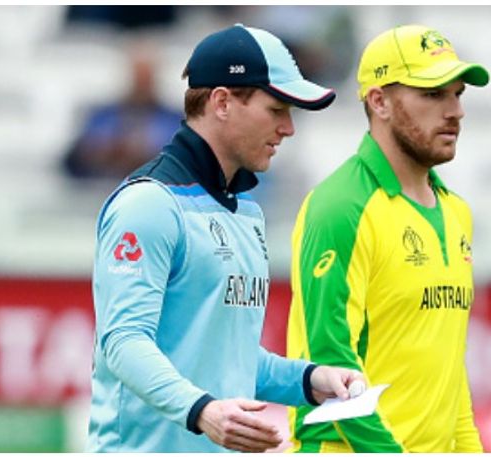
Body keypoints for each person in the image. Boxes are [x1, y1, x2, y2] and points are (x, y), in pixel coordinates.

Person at [86, 24, 363, 453]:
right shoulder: (149, 204)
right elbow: (123, 342)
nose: (289, 128)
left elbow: (227, 356)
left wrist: (310, 380)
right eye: (276, 109)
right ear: (222, 102)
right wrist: (203, 411)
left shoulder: (245, 213)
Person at [285, 24, 490, 452]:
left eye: (457, 94)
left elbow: (450, 373)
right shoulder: (340, 207)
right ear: (378, 101)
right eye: (433, 95)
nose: (455, 111)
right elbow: (331, 361)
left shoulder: (456, 213)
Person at [63, 42, 182, 180]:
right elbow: (74, 158)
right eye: (138, 77)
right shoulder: (102, 116)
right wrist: (103, 152)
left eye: (146, 78)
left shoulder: (175, 120)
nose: (142, 85)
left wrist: (144, 156)